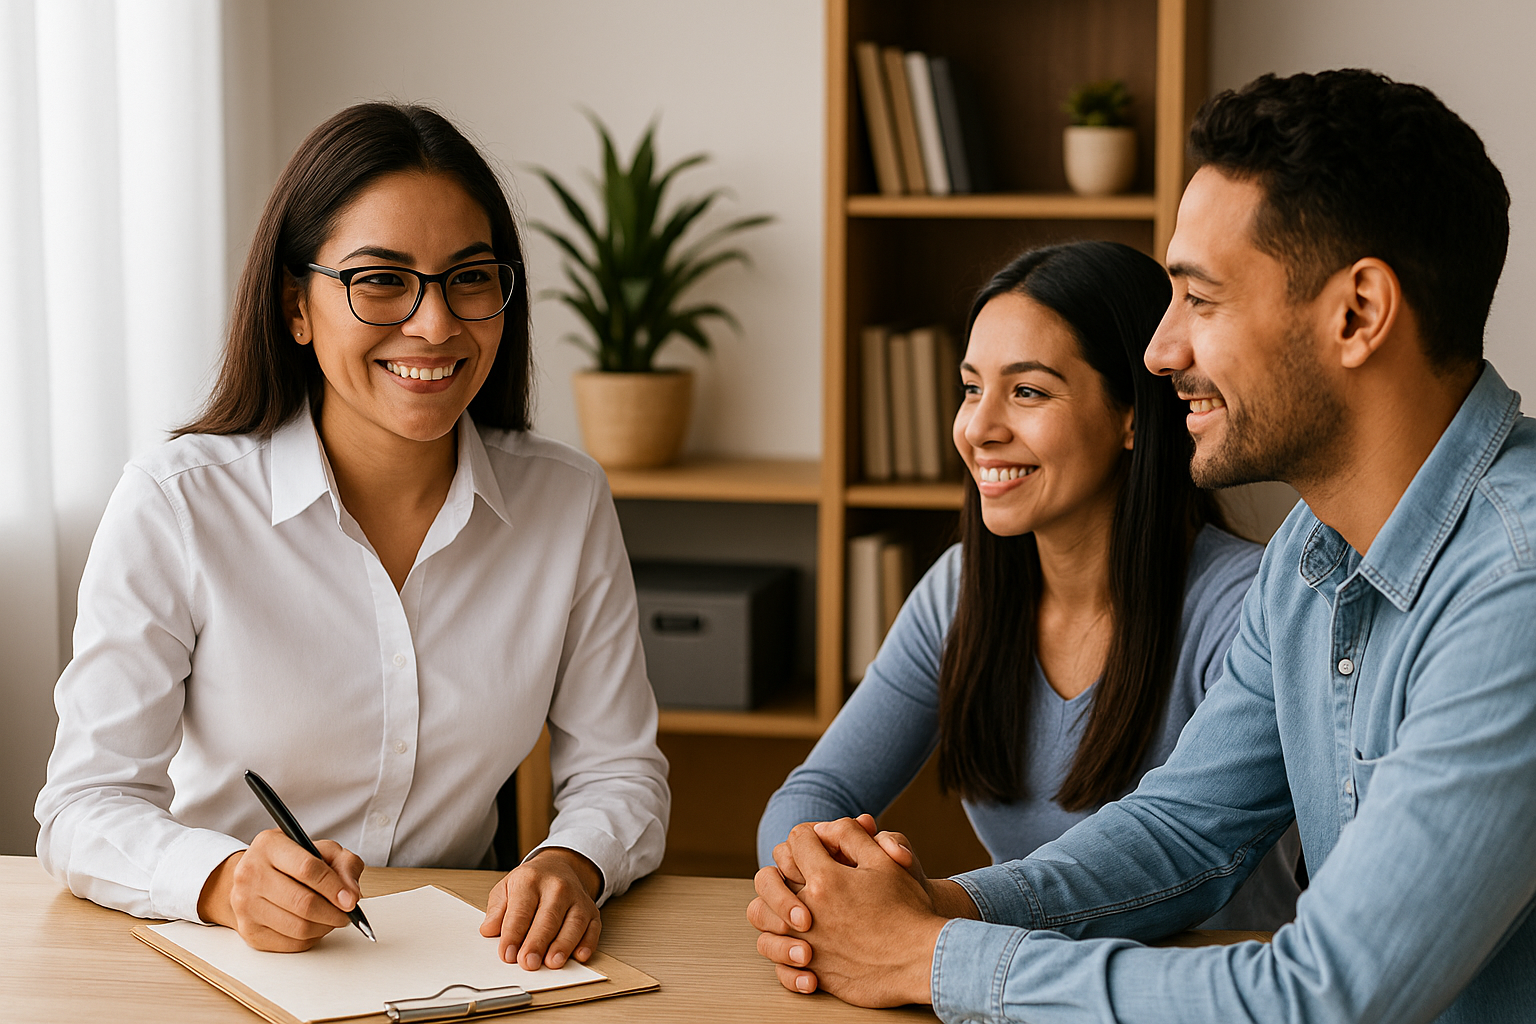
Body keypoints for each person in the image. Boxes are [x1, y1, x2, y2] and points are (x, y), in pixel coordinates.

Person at [750, 68, 1536, 1023]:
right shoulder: (1308, 556)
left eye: (1200, 301)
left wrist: (934, 959)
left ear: (1357, 314)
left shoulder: (1515, 585)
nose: (1161, 351)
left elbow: (1326, 996)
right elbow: (1183, 831)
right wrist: (933, 907)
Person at [35, 103, 669, 973]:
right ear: (297, 306)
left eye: (470, 277)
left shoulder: (565, 500)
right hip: (221, 961)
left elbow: (620, 771)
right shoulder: (178, 503)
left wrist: (574, 863)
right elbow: (82, 806)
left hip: (468, 963)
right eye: (381, 280)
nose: (436, 325)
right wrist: (223, 880)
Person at [756, 240, 1298, 931]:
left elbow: (1172, 854)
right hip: (1010, 986)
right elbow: (819, 791)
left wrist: (928, 910)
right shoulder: (959, 591)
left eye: (1028, 391)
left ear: (1133, 414)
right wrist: (813, 875)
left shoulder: (1243, 606)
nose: (978, 428)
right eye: (972, 387)